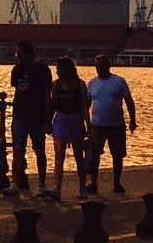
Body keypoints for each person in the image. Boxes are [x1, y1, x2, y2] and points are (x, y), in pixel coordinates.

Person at [86, 54, 136, 195]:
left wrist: (132, 120)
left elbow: (129, 101)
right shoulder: (92, 83)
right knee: (94, 156)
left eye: (102, 66)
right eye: (97, 66)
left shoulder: (119, 81)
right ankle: (93, 184)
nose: (99, 68)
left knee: (117, 156)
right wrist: (85, 123)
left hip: (116, 125)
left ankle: (117, 183)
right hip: (96, 125)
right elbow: (87, 104)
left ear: (108, 66)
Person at [10, 40, 52, 193]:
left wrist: (48, 118)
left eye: (20, 54)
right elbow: (16, 89)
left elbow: (47, 94)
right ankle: (16, 182)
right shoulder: (17, 70)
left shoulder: (43, 70)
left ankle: (41, 184)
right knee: (17, 150)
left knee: (39, 151)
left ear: (28, 54)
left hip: (37, 116)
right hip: (20, 115)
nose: (18, 56)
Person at [48, 56, 90, 200]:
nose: (57, 71)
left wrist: (87, 125)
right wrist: (48, 122)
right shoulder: (56, 85)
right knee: (59, 156)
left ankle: (82, 187)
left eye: (59, 69)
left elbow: (84, 107)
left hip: (75, 119)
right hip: (60, 119)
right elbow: (53, 105)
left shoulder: (80, 85)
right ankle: (57, 188)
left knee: (79, 156)